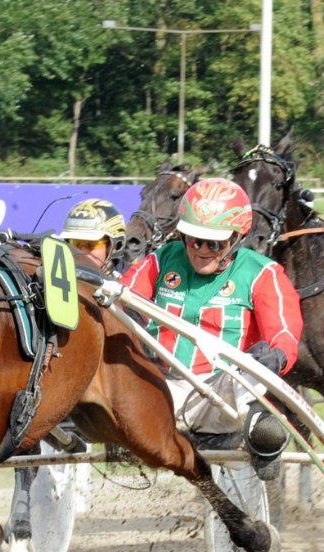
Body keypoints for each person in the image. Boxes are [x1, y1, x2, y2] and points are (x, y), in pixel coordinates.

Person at [120, 178, 303, 480]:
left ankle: (264, 435)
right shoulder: (162, 259)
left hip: (223, 393)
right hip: (161, 390)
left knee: (253, 372)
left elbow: (284, 332)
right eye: (193, 239)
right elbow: (124, 296)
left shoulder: (262, 273)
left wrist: (276, 357)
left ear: (236, 238)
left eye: (214, 243)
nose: (201, 250)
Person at [57, 198, 126, 270]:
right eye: (75, 244)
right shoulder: (53, 275)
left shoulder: (131, 278)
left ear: (115, 247)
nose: (82, 251)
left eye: (91, 244)